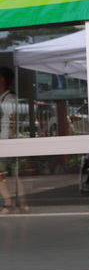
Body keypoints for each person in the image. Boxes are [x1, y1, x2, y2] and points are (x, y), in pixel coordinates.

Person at [0, 67, 29, 214]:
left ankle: (10, 203)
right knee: (11, 174)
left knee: (3, 174)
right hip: (6, 141)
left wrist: (9, 142)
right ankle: (22, 203)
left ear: (3, 80)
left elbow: (12, 122)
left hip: (5, 141)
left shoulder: (9, 99)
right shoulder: (5, 98)